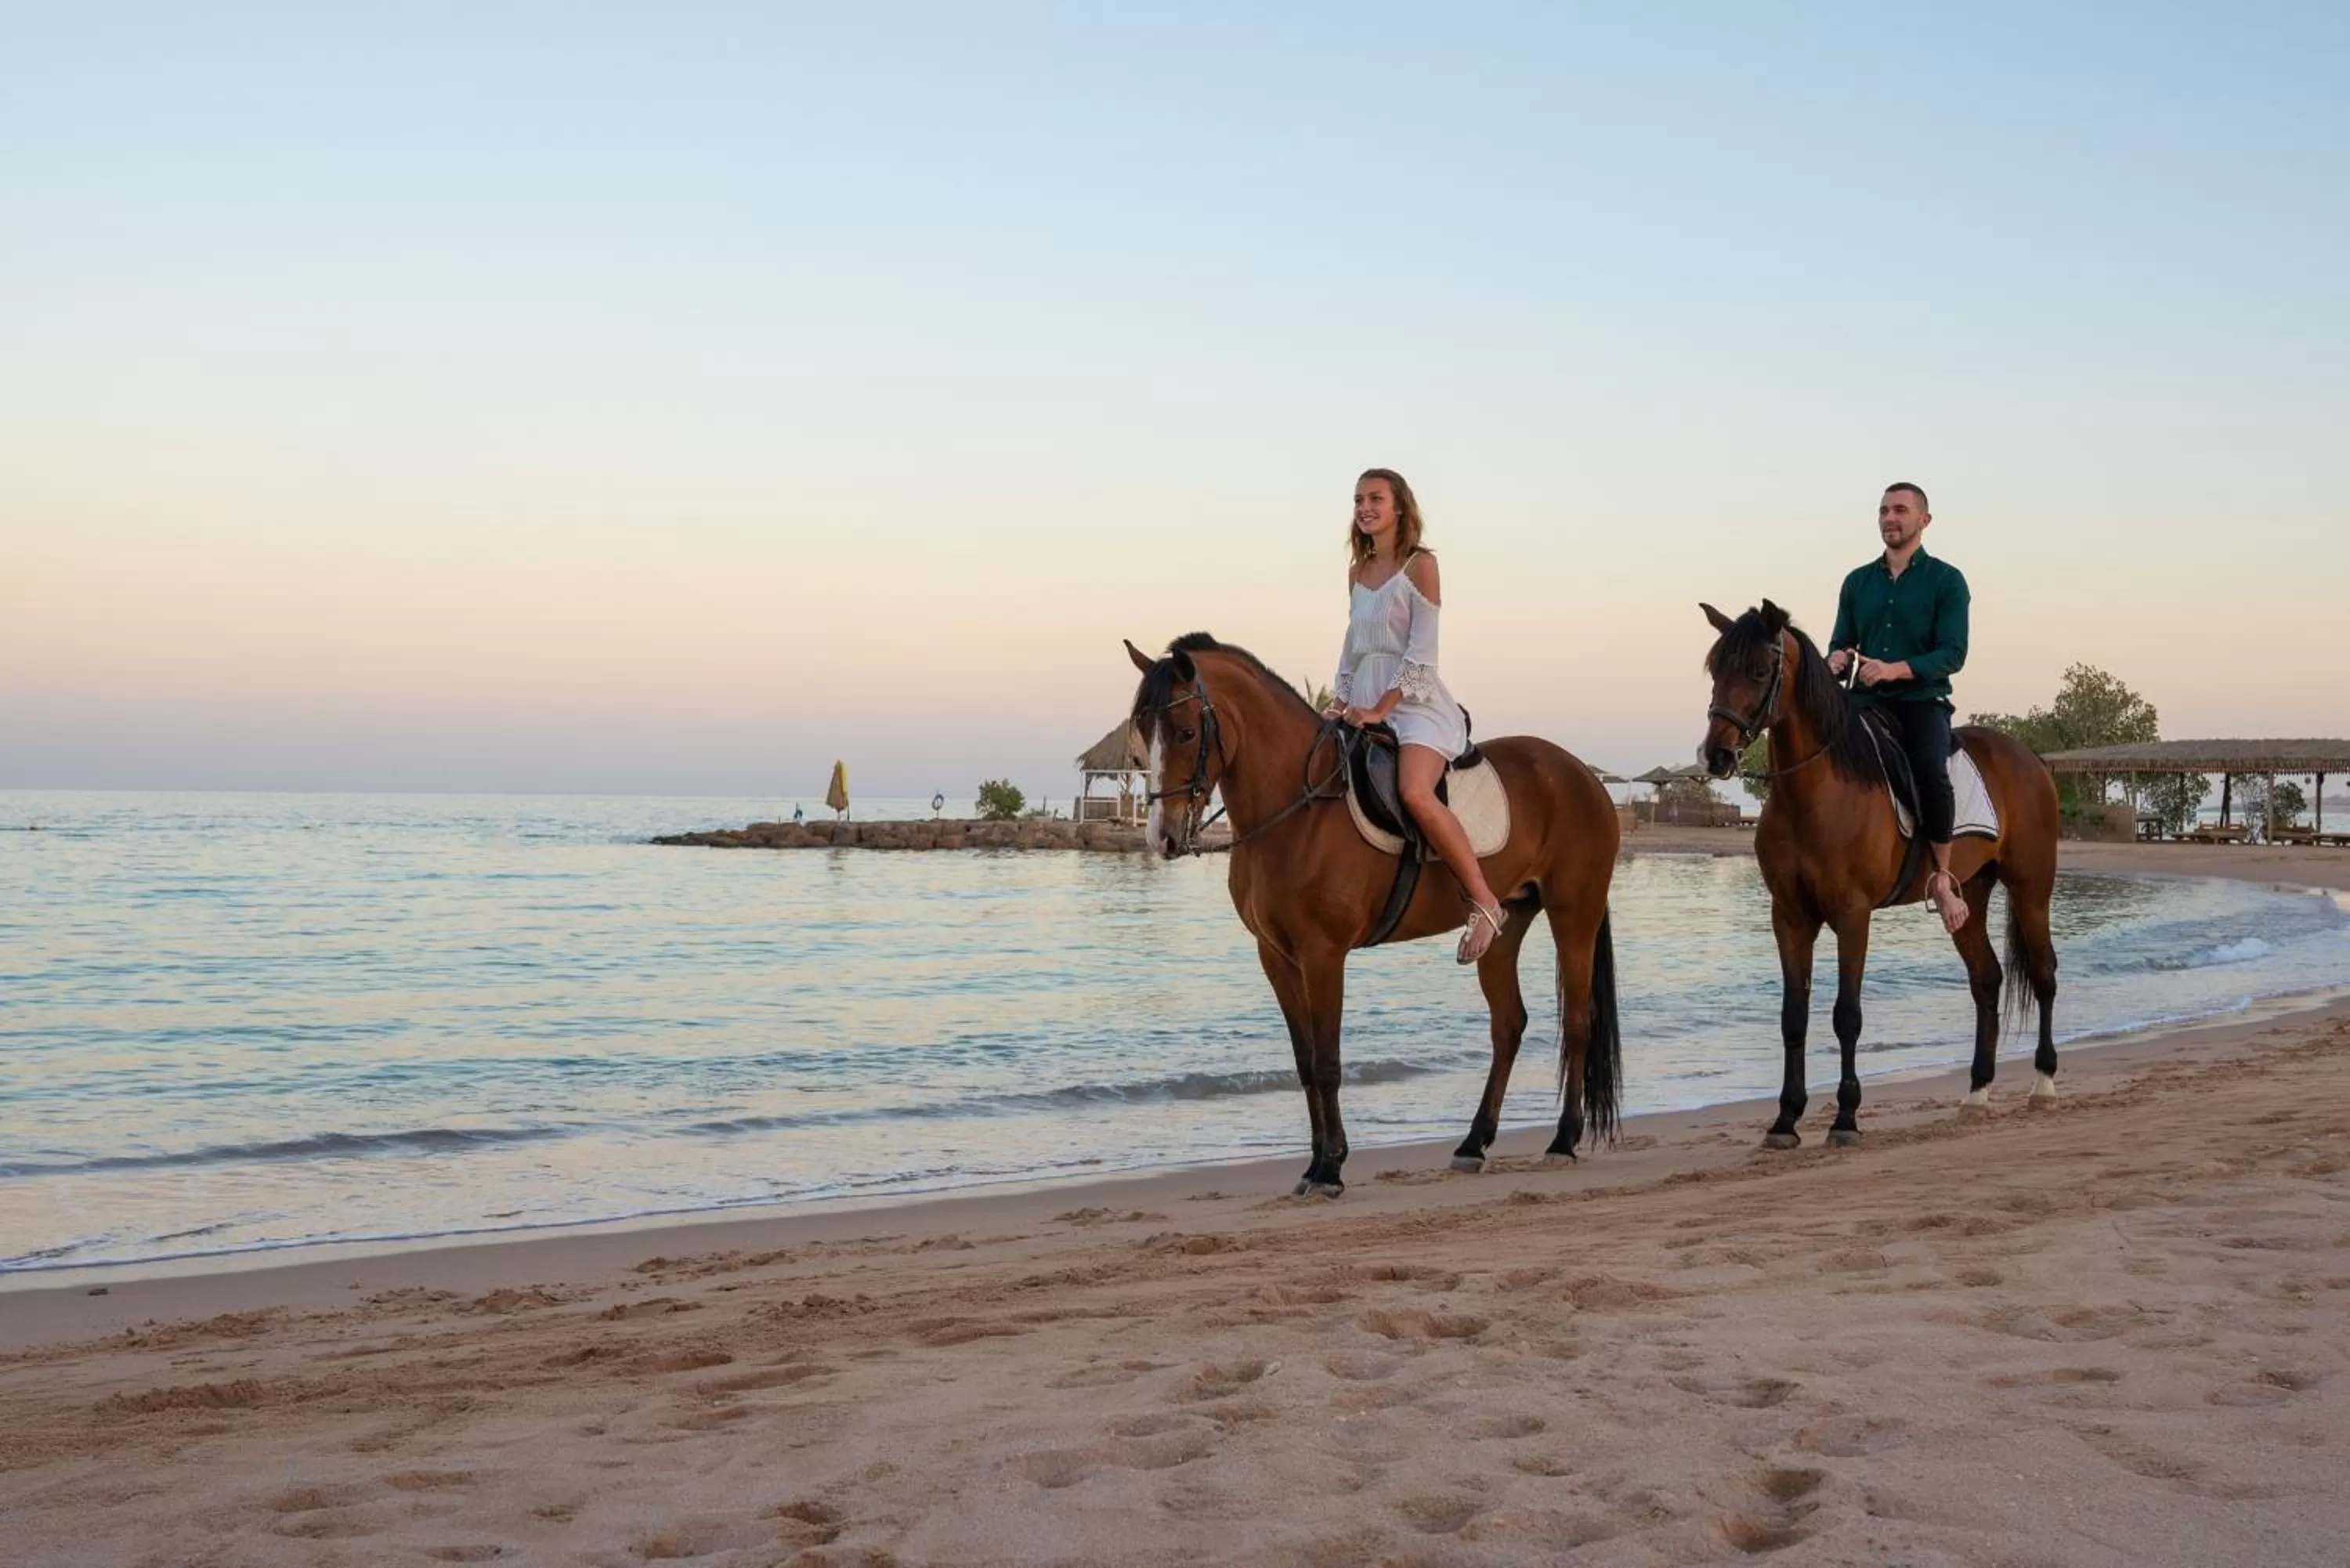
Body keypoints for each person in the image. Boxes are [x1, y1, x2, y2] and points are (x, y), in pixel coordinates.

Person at [1322, 468, 1506, 963]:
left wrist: (1382, 709)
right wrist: (1340, 703)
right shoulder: (1356, 573)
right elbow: (1353, 648)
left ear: (1399, 507)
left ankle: (1484, 900)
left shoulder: (1419, 565)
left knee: (1414, 791)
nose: (1365, 507)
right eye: (1359, 499)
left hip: (1415, 706)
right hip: (1363, 700)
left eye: (1376, 498)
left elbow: (1423, 655)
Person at [1826, 482, 1972, 933]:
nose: (1891, 518)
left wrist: (1895, 670)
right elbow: (1841, 640)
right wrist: (1837, 658)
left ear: (1923, 520)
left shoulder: (1947, 581)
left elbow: (1953, 654)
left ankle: (1942, 878)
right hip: (1863, 701)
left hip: (1920, 702)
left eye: (1901, 510)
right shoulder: (1857, 582)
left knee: (1930, 771)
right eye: (1885, 511)